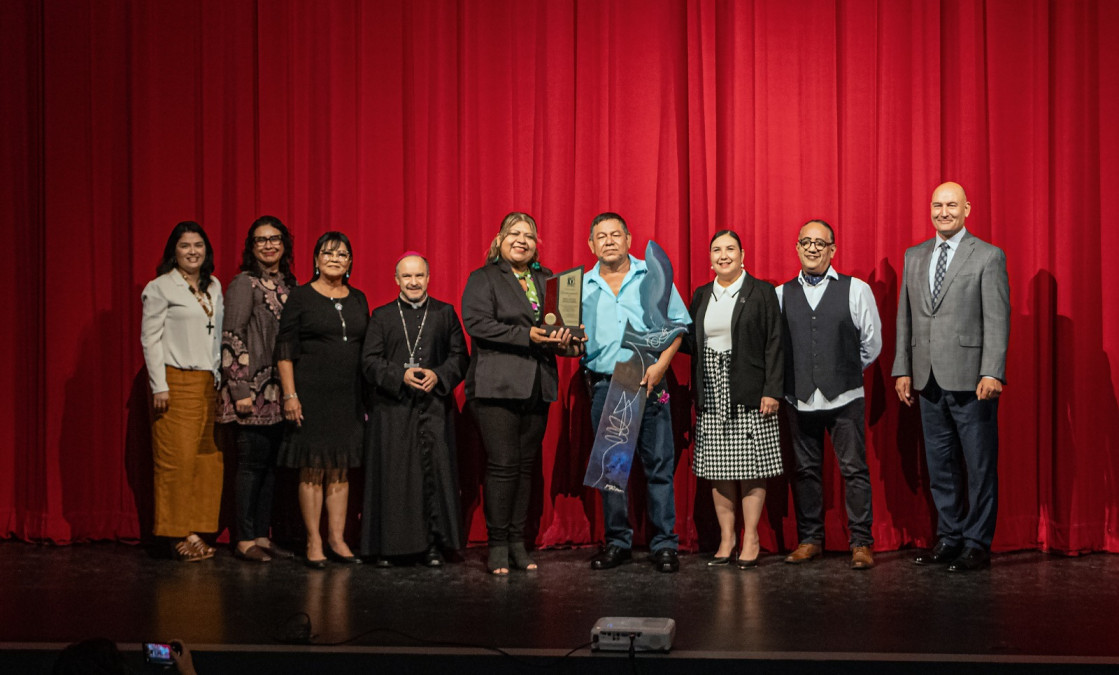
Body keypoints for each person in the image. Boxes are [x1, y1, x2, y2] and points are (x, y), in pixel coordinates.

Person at [893, 182, 1010, 572]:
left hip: (971, 380)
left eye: (952, 205)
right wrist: (902, 369)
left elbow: (997, 318)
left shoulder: (988, 256)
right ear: (930, 209)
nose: (944, 212)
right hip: (926, 379)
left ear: (967, 209)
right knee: (940, 465)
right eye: (938, 205)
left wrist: (992, 370)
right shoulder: (914, 256)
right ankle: (950, 536)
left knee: (978, 465)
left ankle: (977, 541)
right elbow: (904, 318)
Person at [461, 212, 574, 575]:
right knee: (503, 466)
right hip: (497, 387)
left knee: (526, 468)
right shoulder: (484, 278)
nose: (521, 240)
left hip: (537, 386)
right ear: (500, 238)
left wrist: (569, 341)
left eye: (529, 235)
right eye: (514, 233)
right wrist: (526, 336)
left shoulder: (548, 280)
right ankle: (497, 545)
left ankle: (517, 543)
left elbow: (560, 326)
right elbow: (477, 324)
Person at [582, 212, 691, 573]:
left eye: (616, 234)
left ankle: (664, 544)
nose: (609, 241)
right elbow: (570, 338)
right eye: (602, 236)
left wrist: (661, 367)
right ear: (591, 245)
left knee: (659, 466)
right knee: (612, 472)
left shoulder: (653, 274)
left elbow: (678, 328)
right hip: (605, 382)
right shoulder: (579, 286)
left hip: (649, 378)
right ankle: (617, 543)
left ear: (629, 239)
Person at [777, 220, 881, 570]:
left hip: (844, 397)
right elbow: (777, 348)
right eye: (805, 241)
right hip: (798, 399)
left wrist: (844, 371)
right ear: (797, 247)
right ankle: (810, 539)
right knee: (805, 471)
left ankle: (861, 542)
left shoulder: (856, 290)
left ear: (832, 249)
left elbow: (872, 343)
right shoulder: (781, 294)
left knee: (854, 470)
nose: (812, 248)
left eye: (820, 243)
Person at [361, 252, 469, 567]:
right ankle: (390, 548)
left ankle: (433, 545)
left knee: (433, 475)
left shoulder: (444, 313)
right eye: (406, 277)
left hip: (433, 406)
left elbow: (460, 357)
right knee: (395, 477)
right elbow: (369, 361)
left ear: (428, 278)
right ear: (396, 280)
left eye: (419, 276)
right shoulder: (381, 316)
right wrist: (399, 375)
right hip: (392, 410)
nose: (413, 282)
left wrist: (439, 375)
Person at [686, 230, 783, 569]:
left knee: (751, 466)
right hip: (711, 389)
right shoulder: (700, 296)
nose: (723, 255)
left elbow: (775, 343)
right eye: (716, 250)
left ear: (743, 255)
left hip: (750, 390)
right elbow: (688, 342)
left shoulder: (762, 292)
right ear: (709, 257)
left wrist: (772, 389)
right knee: (718, 468)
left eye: (730, 249)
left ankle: (751, 536)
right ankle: (727, 538)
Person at [276, 231, 368, 568]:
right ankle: (314, 541)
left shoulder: (359, 298)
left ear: (350, 262)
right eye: (327, 253)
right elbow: (284, 350)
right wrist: (290, 395)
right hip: (310, 395)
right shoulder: (300, 297)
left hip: (349, 396)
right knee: (313, 469)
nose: (335, 258)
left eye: (342, 254)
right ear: (315, 260)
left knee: (340, 470)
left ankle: (337, 539)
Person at [141, 221, 224, 562]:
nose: (193, 251)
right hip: (175, 381)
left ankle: (195, 528)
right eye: (185, 246)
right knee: (176, 460)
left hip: (208, 383)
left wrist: (218, 376)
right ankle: (175, 533)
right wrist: (159, 385)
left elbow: (216, 336)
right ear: (173, 252)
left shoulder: (214, 286)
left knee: (206, 460)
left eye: (198, 245)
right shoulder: (160, 288)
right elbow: (150, 338)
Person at [218, 216, 297, 563]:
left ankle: (262, 536)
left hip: (280, 394)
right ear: (251, 247)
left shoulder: (289, 285)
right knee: (250, 466)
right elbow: (232, 336)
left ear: (284, 244)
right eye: (260, 240)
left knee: (269, 468)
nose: (268, 245)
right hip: (251, 391)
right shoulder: (243, 284)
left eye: (274, 238)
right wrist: (239, 390)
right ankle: (244, 538)